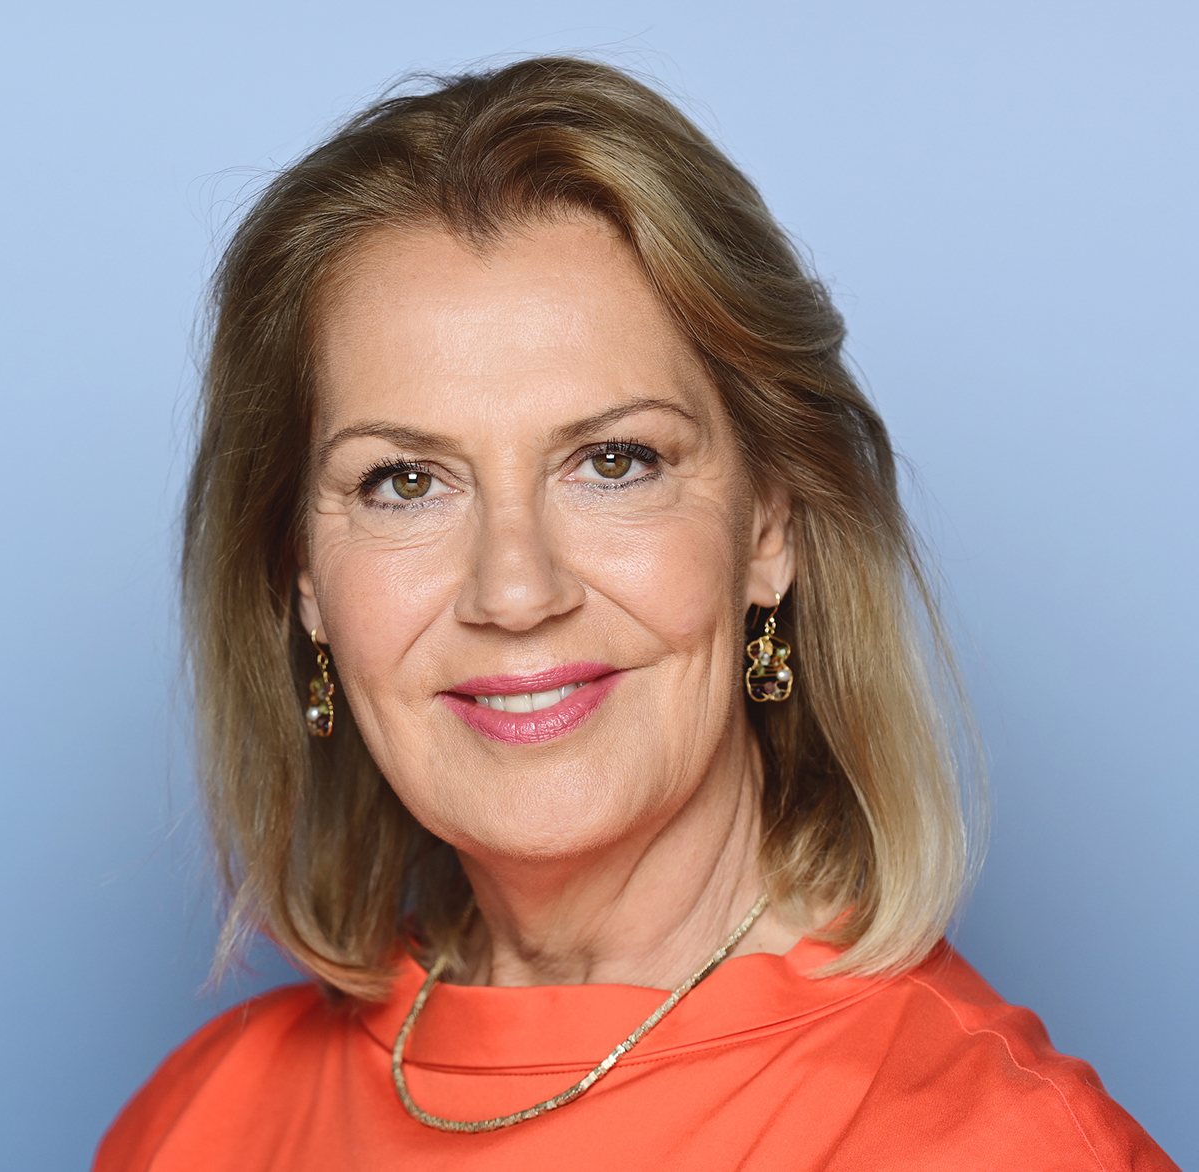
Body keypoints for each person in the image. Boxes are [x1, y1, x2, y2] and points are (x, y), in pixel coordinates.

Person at [94, 57, 1177, 1170]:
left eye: (614, 461)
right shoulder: (197, 1124)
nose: (516, 591)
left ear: (768, 526)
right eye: (404, 481)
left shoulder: (1000, 1143)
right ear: (304, 580)